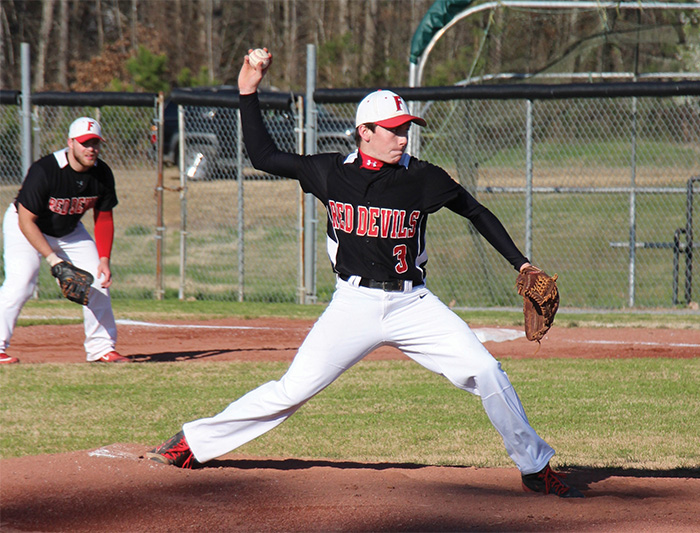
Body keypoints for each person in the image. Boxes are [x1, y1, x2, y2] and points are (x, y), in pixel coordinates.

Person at [147, 49, 583, 498]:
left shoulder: (423, 177)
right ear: (365, 133)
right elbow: (262, 155)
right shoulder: (330, 172)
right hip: (353, 304)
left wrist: (522, 263)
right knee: (291, 390)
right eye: (393, 131)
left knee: (487, 370)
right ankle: (194, 441)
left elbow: (475, 211)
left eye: (406, 129)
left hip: (414, 304)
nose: (402, 139)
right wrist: (248, 90)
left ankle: (534, 466)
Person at [0, 117, 129, 364]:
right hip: (26, 226)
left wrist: (104, 259)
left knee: (99, 281)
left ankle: (101, 349)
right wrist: (54, 260)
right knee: (21, 282)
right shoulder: (45, 170)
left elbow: (103, 218)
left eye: (95, 143)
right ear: (70, 143)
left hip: (69, 229)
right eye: (84, 143)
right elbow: (26, 221)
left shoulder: (101, 173)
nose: (91, 149)